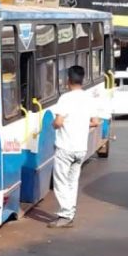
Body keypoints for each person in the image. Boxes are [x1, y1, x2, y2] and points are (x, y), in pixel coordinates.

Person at [48, 65, 100, 228]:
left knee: (61, 181)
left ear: (68, 81)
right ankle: (70, 212)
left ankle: (65, 214)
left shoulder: (65, 99)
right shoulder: (88, 98)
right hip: (80, 148)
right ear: (82, 79)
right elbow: (95, 122)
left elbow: (58, 122)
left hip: (65, 147)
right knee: (72, 181)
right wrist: (82, 125)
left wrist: (54, 125)